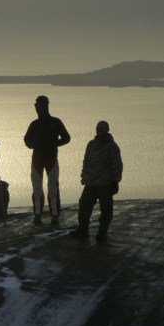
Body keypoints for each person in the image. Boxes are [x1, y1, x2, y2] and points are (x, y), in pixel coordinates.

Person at [70, 120, 123, 240]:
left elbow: (117, 166)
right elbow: (86, 161)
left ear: (108, 130)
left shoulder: (112, 146)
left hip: (105, 184)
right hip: (90, 183)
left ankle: (102, 232)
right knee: (84, 206)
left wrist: (115, 182)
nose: (100, 131)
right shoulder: (91, 144)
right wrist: (83, 176)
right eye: (98, 128)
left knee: (106, 210)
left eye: (102, 129)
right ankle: (83, 229)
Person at [23, 95, 71, 225]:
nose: (39, 109)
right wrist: (34, 145)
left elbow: (67, 138)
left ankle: (55, 214)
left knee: (52, 187)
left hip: (51, 158)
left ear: (46, 106)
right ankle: (37, 214)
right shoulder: (34, 124)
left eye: (42, 106)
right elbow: (26, 140)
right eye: (38, 107)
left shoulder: (55, 122)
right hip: (37, 159)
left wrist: (53, 144)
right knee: (37, 187)